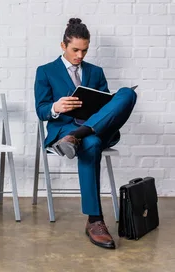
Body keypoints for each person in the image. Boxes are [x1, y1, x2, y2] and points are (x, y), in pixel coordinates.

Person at [34, 18, 137, 249]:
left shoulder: (96, 72)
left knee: (127, 94)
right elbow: (41, 110)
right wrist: (55, 107)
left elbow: (108, 107)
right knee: (90, 143)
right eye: (75, 50)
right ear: (63, 46)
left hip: (96, 128)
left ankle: (80, 133)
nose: (80, 55)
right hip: (64, 128)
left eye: (85, 50)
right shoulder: (45, 72)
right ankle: (95, 220)